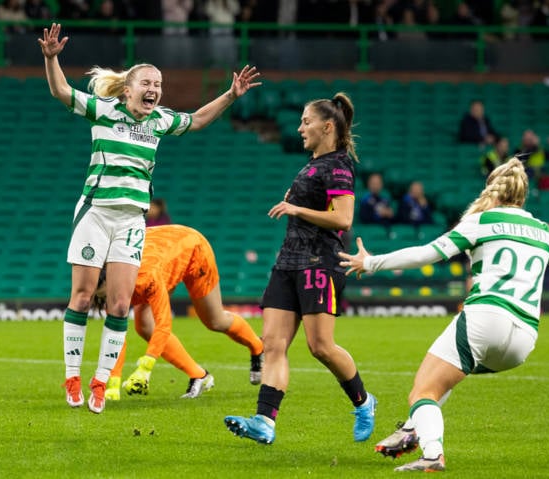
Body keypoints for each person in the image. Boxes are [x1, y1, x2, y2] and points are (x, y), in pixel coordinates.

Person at [338, 157, 549, 472]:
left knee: (423, 391)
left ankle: (432, 454)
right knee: (447, 374)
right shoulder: (543, 231)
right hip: (523, 341)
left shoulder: (482, 221)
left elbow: (428, 253)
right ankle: (412, 428)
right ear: (523, 195)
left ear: (493, 189)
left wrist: (370, 263)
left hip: (485, 318)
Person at [38, 23, 261, 414]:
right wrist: (51, 58)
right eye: (147, 82)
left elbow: (196, 120)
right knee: (83, 295)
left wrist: (229, 95)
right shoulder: (104, 110)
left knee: (121, 305)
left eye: (158, 83)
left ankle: (99, 383)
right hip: (96, 213)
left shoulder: (159, 120)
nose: (154, 88)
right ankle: (72, 378)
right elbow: (60, 92)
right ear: (128, 89)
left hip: (131, 221)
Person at [224, 92, 377, 445]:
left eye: (306, 122)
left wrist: (296, 210)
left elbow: (343, 218)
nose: (299, 128)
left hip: (320, 262)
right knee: (272, 344)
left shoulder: (338, 165)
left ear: (327, 126)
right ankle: (264, 421)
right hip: (288, 262)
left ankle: (364, 401)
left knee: (320, 346)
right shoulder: (312, 163)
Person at [90, 225, 265, 400]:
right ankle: (199, 375)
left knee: (215, 321)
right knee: (144, 326)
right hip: (164, 256)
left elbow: (164, 324)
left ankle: (258, 347)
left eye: (108, 292)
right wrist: (113, 383)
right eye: (104, 296)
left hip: (193, 249)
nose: (109, 298)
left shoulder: (146, 277)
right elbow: (116, 335)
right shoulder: (108, 281)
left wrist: (145, 368)